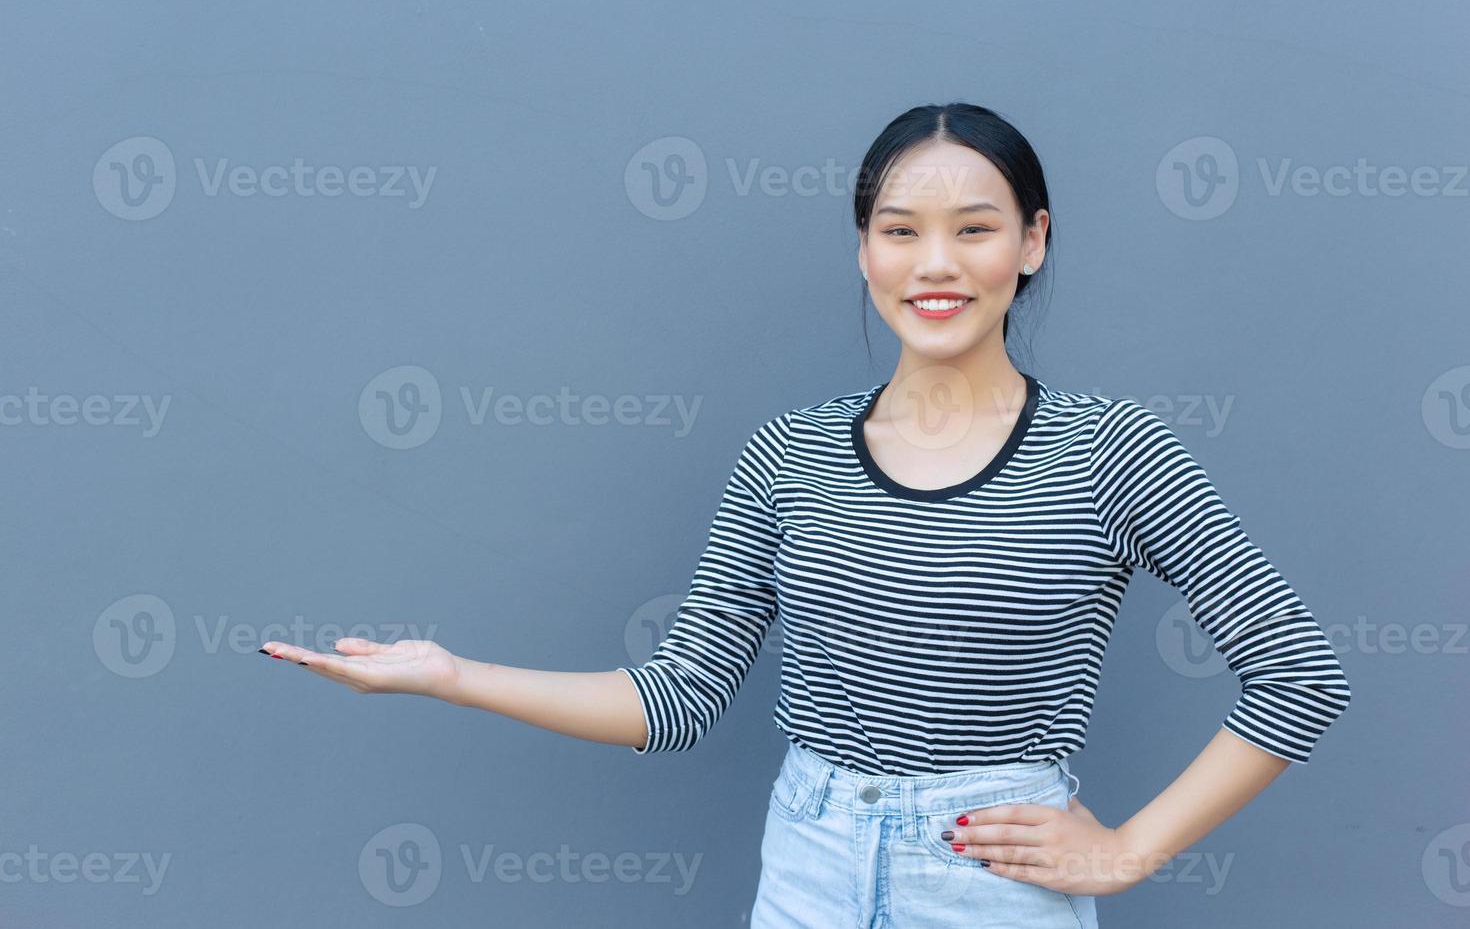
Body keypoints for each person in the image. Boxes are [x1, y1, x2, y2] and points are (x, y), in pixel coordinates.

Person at [260, 103, 1351, 928]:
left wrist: (1128, 850)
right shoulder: (791, 454)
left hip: (989, 878)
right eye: (898, 229)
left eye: (973, 228)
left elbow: (1301, 674)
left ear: (1032, 241)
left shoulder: (1112, 449)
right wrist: (453, 675)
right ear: (864, 247)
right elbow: (678, 697)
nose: (933, 263)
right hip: (809, 866)